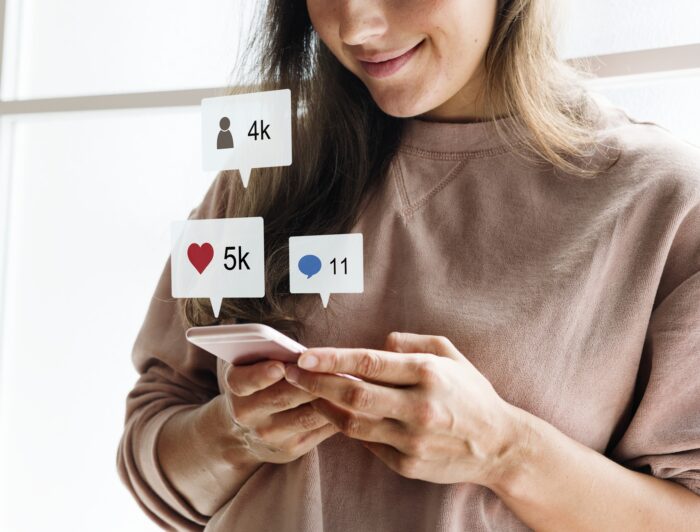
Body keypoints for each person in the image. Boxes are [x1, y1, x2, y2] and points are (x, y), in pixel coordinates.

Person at [117, 0, 700, 530]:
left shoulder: (664, 201)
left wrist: (507, 451)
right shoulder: (267, 176)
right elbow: (153, 452)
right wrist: (235, 433)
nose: (355, 27)